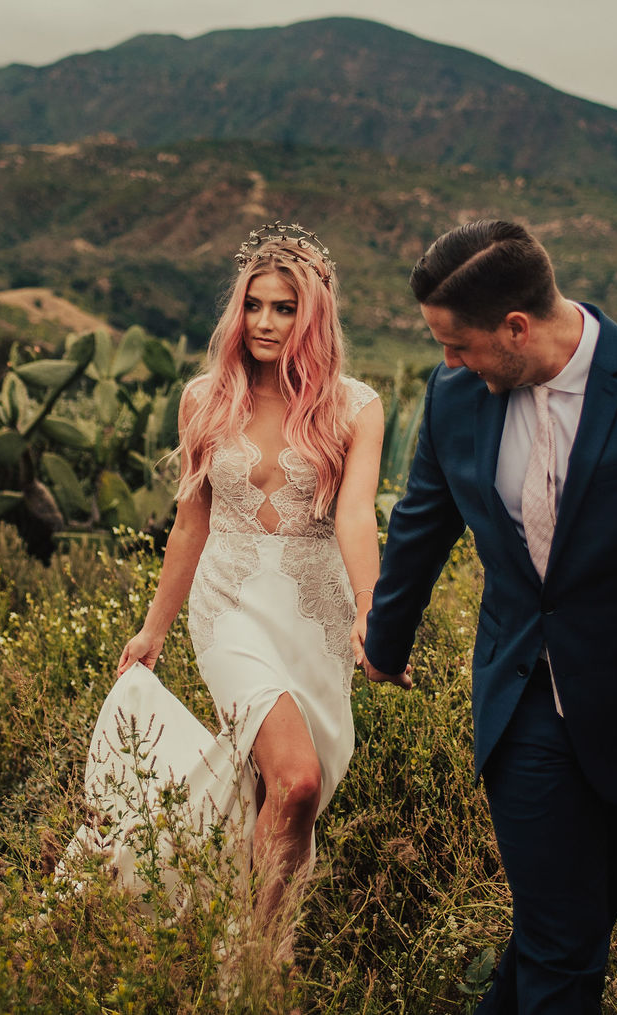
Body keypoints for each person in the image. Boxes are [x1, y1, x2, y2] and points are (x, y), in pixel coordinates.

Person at [358, 219, 617, 1013]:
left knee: (567, 934)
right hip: (524, 710)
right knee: (563, 948)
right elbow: (420, 524)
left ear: (517, 326)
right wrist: (384, 643)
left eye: (459, 344)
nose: (447, 363)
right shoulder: (454, 399)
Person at [108, 221, 386, 919]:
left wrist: (368, 606)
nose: (265, 321)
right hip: (228, 604)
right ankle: (256, 958)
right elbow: (191, 524)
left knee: (283, 791)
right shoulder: (204, 399)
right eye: (254, 304)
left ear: (313, 316)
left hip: (315, 611)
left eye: (285, 307)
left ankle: (266, 945)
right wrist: (152, 631)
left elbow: (356, 517)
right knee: (295, 779)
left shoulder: (356, 407)